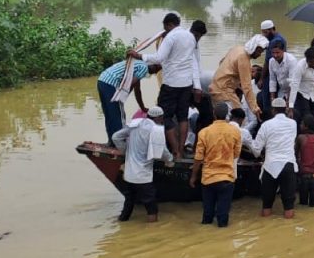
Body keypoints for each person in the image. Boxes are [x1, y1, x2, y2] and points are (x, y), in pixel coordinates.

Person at [130, 14, 206, 157]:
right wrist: (197, 86)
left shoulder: (171, 37)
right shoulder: (190, 37)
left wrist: (139, 56)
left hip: (171, 84)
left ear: (169, 25)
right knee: (183, 117)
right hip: (186, 85)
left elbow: (159, 58)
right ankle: (181, 150)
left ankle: (175, 150)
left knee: (166, 116)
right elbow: (193, 63)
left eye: (165, 27)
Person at [111, 105, 173, 222]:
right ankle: (152, 231)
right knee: (151, 207)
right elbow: (163, 151)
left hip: (129, 175)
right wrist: (170, 160)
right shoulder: (156, 130)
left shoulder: (135, 124)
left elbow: (116, 137)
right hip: (143, 176)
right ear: (159, 117)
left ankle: (122, 223)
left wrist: (126, 151)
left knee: (129, 202)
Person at [189, 102, 241, 227]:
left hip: (208, 179)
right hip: (227, 178)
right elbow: (236, 154)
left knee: (207, 217)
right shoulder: (235, 131)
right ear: (227, 115)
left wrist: (193, 177)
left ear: (214, 114)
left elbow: (198, 158)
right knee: (223, 218)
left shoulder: (204, 132)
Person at [253, 97, 298, 218]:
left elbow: (256, 150)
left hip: (270, 166)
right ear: (286, 109)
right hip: (288, 165)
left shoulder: (266, 125)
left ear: (273, 110)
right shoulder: (293, 124)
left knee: (266, 206)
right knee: (289, 207)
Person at [97, 59, 160, 142]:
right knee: (118, 115)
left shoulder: (137, 65)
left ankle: (111, 141)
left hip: (102, 81)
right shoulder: (144, 67)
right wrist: (121, 98)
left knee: (109, 115)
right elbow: (130, 84)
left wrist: (142, 107)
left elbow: (137, 89)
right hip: (111, 84)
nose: (155, 73)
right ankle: (120, 142)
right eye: (156, 69)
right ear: (152, 65)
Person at [209, 35, 268, 120]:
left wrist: (235, 84)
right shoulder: (244, 59)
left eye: (261, 52)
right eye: (259, 51)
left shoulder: (237, 48)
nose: (259, 55)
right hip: (224, 92)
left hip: (215, 87)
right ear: (253, 47)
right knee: (238, 119)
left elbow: (221, 62)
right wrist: (255, 108)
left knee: (221, 120)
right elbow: (247, 87)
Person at [288, 45, 314, 127]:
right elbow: (294, 86)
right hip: (302, 94)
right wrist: (291, 106)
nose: (309, 64)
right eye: (308, 61)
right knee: (307, 118)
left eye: (311, 62)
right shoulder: (300, 66)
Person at [257, 20, 286, 114]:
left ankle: (268, 116)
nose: (264, 35)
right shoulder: (281, 37)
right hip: (279, 72)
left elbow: (267, 61)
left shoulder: (275, 41)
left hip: (271, 74)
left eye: (265, 32)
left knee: (267, 99)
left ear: (271, 30)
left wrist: (261, 78)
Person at [296, 115, 314, 207]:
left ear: (306, 126)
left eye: (302, 123)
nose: (300, 125)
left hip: (304, 176)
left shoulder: (300, 137)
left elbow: (295, 155)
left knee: (303, 205)